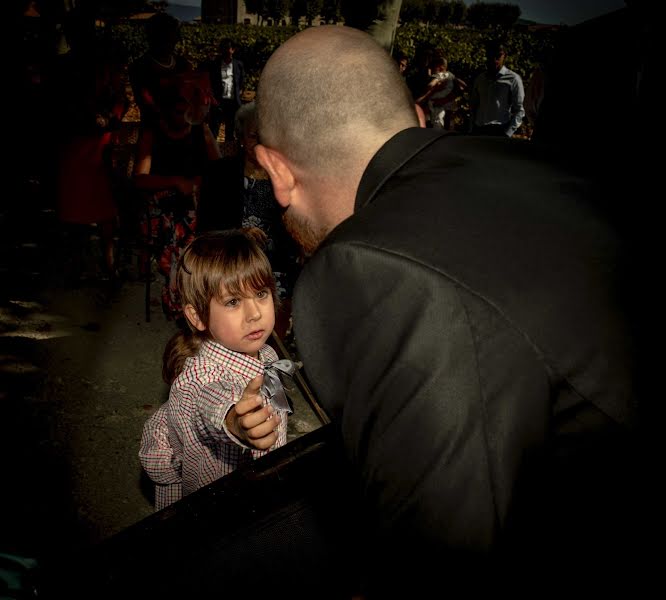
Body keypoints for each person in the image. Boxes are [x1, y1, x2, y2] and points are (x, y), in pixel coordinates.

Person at [254, 25, 644, 595]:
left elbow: (437, 572)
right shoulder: (539, 162)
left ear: (277, 170)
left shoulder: (371, 267)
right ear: (415, 115)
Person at [139, 228, 293, 510]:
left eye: (261, 293)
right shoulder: (198, 379)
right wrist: (234, 421)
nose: (255, 313)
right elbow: (212, 403)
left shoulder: (266, 353)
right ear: (197, 317)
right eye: (233, 302)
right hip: (221, 504)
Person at [133, 76, 222, 321]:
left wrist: (197, 182)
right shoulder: (152, 135)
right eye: (177, 110)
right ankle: (180, 295)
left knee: (201, 223)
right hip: (158, 207)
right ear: (166, 109)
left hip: (193, 203)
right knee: (179, 230)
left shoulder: (199, 132)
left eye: (186, 110)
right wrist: (174, 182)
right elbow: (139, 179)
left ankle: (195, 289)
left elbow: (219, 171)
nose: (182, 115)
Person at [235, 102, 302, 337]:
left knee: (277, 329)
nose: (261, 143)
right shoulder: (220, 174)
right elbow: (206, 228)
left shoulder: (285, 174)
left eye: (266, 136)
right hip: (234, 262)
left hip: (278, 265)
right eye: (254, 136)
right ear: (241, 137)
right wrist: (238, 235)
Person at [128, 12, 191, 132]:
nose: (177, 39)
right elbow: (146, 103)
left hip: (184, 131)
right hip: (154, 133)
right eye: (173, 34)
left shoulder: (183, 64)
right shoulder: (139, 67)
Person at [470, 40, 525, 137]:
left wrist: (507, 133)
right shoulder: (480, 79)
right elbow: (474, 105)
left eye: (498, 56)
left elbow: (520, 110)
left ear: (505, 56)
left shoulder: (513, 79)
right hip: (478, 130)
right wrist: (472, 128)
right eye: (491, 55)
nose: (494, 59)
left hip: (499, 130)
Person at [206, 37, 245, 142]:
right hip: (218, 102)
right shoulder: (214, 64)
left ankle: (228, 154)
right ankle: (214, 155)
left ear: (232, 50)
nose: (225, 50)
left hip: (232, 103)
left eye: (227, 48)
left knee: (230, 132)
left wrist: (238, 95)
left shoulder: (239, 65)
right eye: (223, 48)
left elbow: (241, 82)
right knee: (214, 130)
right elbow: (210, 82)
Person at [416, 55, 467, 130]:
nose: (431, 70)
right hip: (447, 105)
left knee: (438, 121)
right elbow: (463, 86)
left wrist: (432, 87)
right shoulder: (451, 75)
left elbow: (431, 85)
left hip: (438, 105)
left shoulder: (440, 75)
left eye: (433, 67)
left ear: (441, 67)